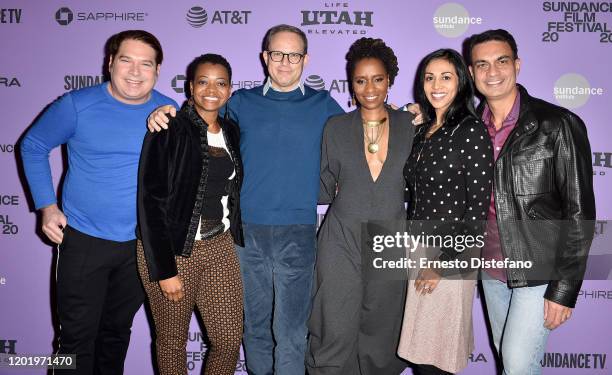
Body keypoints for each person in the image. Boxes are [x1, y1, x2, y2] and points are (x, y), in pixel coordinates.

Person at [147, 25, 344, 375]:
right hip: (244, 234)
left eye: (293, 55)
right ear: (265, 57)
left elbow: (359, 133)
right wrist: (165, 112)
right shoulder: (240, 102)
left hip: (298, 231)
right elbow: (201, 126)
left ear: (305, 59)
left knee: (292, 331)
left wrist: (402, 112)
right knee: (253, 328)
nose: (285, 62)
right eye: (277, 54)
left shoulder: (323, 104)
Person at [19, 30, 177, 374]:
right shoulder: (77, 105)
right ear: (110, 63)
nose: (135, 72)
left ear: (158, 69)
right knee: (74, 341)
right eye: (126, 60)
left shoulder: (169, 111)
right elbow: (32, 146)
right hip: (83, 240)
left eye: (145, 63)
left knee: (116, 336)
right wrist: (46, 206)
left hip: (138, 246)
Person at [467, 29, 596, 374]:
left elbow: (580, 213)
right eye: (482, 64)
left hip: (539, 270)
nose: (492, 72)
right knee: (508, 359)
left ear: (517, 65)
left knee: (519, 364)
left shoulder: (558, 124)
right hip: (491, 270)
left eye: (501, 61)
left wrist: (564, 289)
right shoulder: (469, 129)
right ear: (471, 72)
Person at [306, 37, 415, 375]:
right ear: (350, 84)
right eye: (360, 80)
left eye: (378, 79)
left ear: (390, 81)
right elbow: (322, 187)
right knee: (333, 321)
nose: (369, 88)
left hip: (392, 237)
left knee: (383, 327)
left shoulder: (411, 126)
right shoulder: (335, 128)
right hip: (342, 238)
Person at [136, 54, 243, 375]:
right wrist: (164, 269)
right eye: (203, 81)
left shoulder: (232, 131)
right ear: (190, 87)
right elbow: (150, 201)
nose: (212, 89)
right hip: (171, 250)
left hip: (219, 246)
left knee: (227, 340)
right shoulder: (168, 127)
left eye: (220, 83)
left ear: (230, 89)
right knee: (172, 342)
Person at [397, 49, 493, 375]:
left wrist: (443, 264)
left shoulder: (470, 130)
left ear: (461, 82)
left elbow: (477, 209)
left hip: (451, 251)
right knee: (421, 353)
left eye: (446, 76)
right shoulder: (423, 131)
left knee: (436, 357)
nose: (436, 84)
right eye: (429, 77)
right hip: (418, 247)